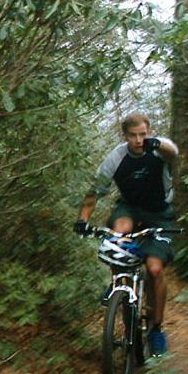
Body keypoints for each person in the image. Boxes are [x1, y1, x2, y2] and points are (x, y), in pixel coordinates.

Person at [74, 112, 179, 356]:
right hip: (129, 207)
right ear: (125, 136)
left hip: (158, 211)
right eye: (133, 136)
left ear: (149, 131)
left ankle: (156, 329)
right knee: (118, 234)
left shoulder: (158, 149)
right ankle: (118, 286)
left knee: (154, 269)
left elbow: (172, 151)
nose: (139, 140)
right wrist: (82, 219)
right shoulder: (117, 157)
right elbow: (95, 191)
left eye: (143, 134)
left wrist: (157, 143)